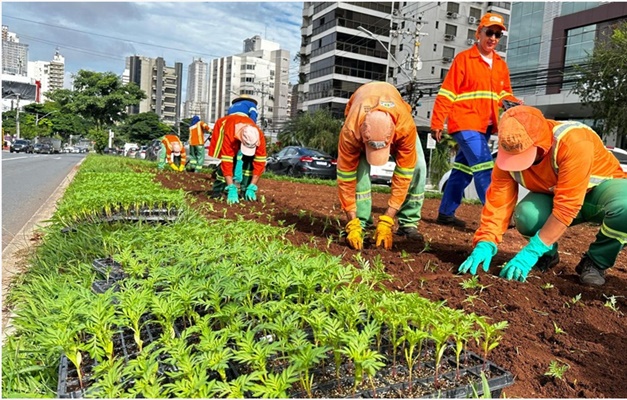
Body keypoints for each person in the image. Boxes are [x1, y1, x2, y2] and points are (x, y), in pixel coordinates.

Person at [458, 105, 627, 286]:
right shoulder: (507, 153)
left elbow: (568, 206)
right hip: (558, 197)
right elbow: (498, 203)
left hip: (599, 194)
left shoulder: (573, 141)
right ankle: (548, 255)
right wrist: (485, 241)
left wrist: (531, 251)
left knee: (624, 209)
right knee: (526, 215)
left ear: (541, 143)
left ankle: (595, 262)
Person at [431, 12, 521, 227]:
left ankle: (445, 213)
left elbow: (505, 94)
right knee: (484, 166)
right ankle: (496, 216)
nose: (493, 38)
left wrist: (515, 106)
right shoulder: (464, 59)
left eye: (498, 35)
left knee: (462, 169)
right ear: (478, 33)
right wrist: (437, 121)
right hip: (465, 123)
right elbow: (447, 93)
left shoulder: (500, 65)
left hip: (486, 125)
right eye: (489, 32)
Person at [337, 81, 427, 251]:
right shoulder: (350, 132)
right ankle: (360, 222)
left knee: (418, 167)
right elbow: (345, 178)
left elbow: (403, 176)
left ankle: (408, 222)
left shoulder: (405, 128)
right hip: (360, 106)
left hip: (397, 116)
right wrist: (351, 221)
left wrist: (388, 218)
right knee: (357, 173)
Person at [207, 114, 267, 204]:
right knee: (229, 163)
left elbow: (260, 163)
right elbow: (227, 162)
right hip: (224, 129)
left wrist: (252, 185)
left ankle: (245, 190)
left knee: (249, 163)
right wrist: (231, 187)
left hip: (241, 131)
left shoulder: (259, 137)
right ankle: (218, 190)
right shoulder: (229, 135)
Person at [227, 95, 259, 184]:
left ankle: (227, 178)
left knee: (229, 156)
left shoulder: (232, 107)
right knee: (241, 156)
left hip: (229, 130)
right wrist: (252, 129)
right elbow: (253, 116)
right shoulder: (251, 104)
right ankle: (238, 179)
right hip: (242, 128)